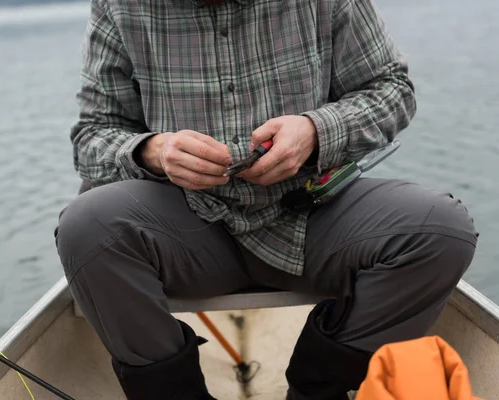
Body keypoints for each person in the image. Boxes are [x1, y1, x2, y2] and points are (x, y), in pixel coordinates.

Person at [55, 0, 478, 399]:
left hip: (313, 213)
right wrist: (154, 152)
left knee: (442, 232)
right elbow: (91, 137)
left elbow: (393, 91)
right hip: (189, 228)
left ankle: (318, 392)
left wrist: (316, 132)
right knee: (87, 227)